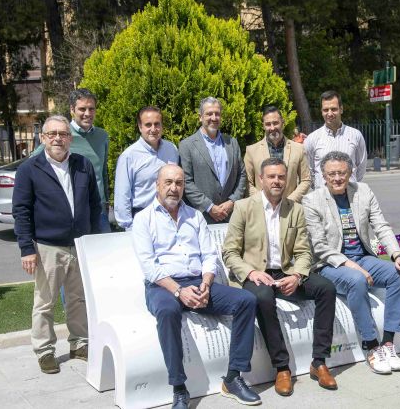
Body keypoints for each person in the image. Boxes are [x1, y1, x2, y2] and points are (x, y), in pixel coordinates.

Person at [132, 164, 261, 409]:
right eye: (168, 182)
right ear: (157, 186)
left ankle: (233, 378)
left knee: (246, 301)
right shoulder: (143, 219)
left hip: (197, 282)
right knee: (168, 311)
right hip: (162, 287)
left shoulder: (195, 216)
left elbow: (209, 255)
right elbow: (150, 267)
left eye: (179, 183)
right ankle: (179, 388)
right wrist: (179, 292)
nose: (174, 188)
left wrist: (205, 283)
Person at [223, 157, 338, 396]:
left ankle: (319, 361)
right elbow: (229, 252)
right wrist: (251, 272)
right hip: (254, 275)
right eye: (272, 176)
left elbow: (304, 252)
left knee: (326, 288)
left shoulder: (295, 209)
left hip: (285, 273)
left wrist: (297, 275)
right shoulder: (244, 207)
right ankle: (282, 368)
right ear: (261, 179)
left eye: (281, 177)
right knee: (263, 297)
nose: (277, 181)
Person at [302, 151, 400, 375]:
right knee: (357, 280)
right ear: (323, 175)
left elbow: (380, 225)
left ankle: (388, 342)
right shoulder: (312, 200)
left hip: (363, 257)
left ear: (350, 172)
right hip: (330, 264)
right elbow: (319, 246)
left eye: (341, 173)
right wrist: (350, 265)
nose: (337, 178)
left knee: (398, 274)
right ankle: (371, 346)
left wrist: (397, 255)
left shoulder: (363, 191)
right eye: (331, 174)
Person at [12, 115, 101, 374]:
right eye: (52, 134)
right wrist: (26, 249)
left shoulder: (82, 164)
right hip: (48, 247)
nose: (58, 138)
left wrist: (93, 239)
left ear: (70, 138)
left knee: (79, 299)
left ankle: (79, 344)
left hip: (80, 245)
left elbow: (95, 205)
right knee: (45, 302)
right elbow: (21, 211)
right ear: (43, 138)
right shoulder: (30, 169)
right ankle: (45, 351)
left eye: (62, 134)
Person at [33, 89, 111, 232]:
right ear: (72, 110)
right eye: (82, 109)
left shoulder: (102, 136)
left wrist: (105, 201)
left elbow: (103, 172)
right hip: (73, 211)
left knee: (101, 253)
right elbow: (34, 162)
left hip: (99, 211)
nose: (87, 113)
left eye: (91, 109)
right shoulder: (62, 135)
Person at [178, 97, 246, 224]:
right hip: (201, 217)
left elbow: (241, 174)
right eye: (209, 114)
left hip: (231, 215)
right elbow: (186, 181)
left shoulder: (232, 142)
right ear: (200, 117)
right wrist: (209, 207)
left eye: (217, 114)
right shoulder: (186, 145)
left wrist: (232, 201)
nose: (214, 118)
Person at [114, 106, 179, 229]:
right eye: (148, 124)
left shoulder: (172, 150)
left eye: (157, 124)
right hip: (142, 219)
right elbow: (122, 196)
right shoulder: (129, 156)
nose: (153, 129)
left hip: (169, 217)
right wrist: (129, 227)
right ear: (140, 127)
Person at [244, 106, 311, 203]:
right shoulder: (251, 151)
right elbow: (247, 183)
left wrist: (289, 202)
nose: (272, 128)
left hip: (289, 208)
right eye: (268, 124)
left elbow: (306, 180)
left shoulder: (298, 149)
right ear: (263, 126)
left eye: (275, 123)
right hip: (261, 209)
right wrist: (262, 202)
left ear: (282, 123)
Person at [304, 91, 367, 189]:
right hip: (323, 197)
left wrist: (349, 185)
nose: (329, 113)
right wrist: (319, 187)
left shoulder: (356, 135)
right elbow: (309, 169)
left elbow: (361, 167)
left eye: (333, 109)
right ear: (321, 111)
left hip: (350, 196)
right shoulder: (312, 139)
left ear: (341, 109)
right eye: (326, 110)